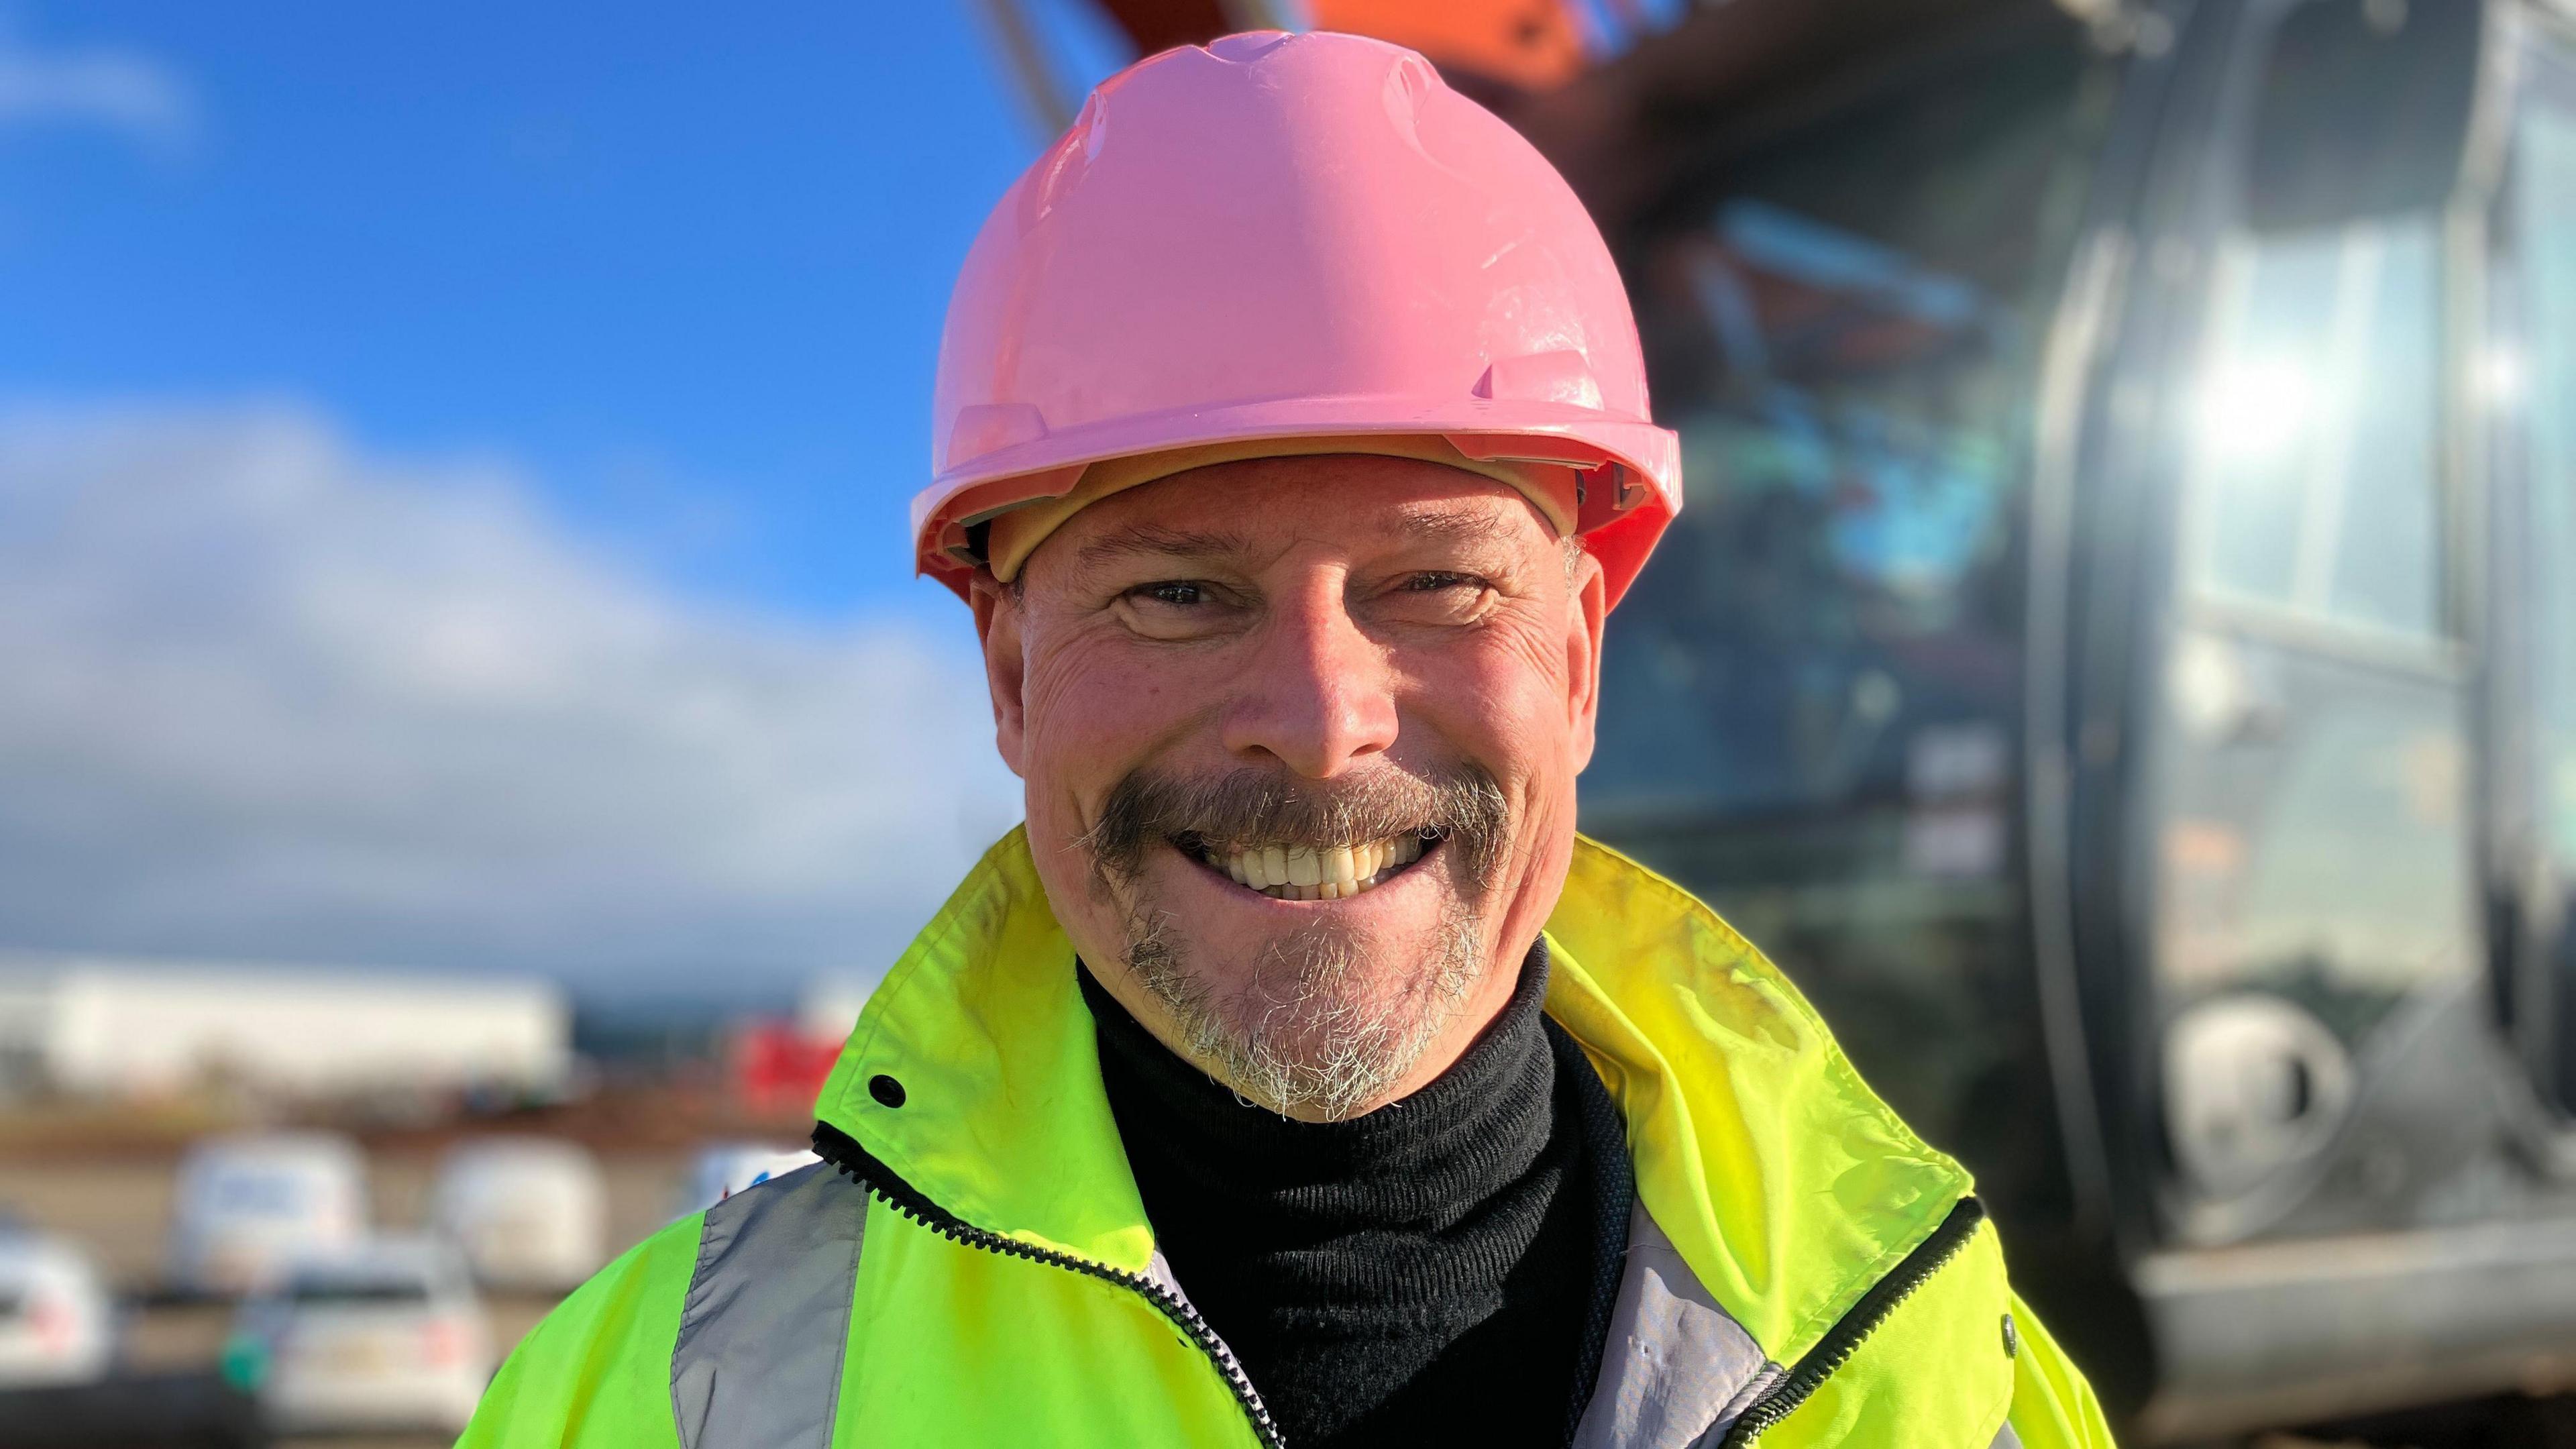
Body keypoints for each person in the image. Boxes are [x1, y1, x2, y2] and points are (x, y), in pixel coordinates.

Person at [461, 30, 2112, 1449]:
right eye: (1178, 592)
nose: (1325, 729)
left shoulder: (1931, 1365)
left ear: (1582, 661)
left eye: (1442, 584)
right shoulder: (651, 1401)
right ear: (1012, 672)